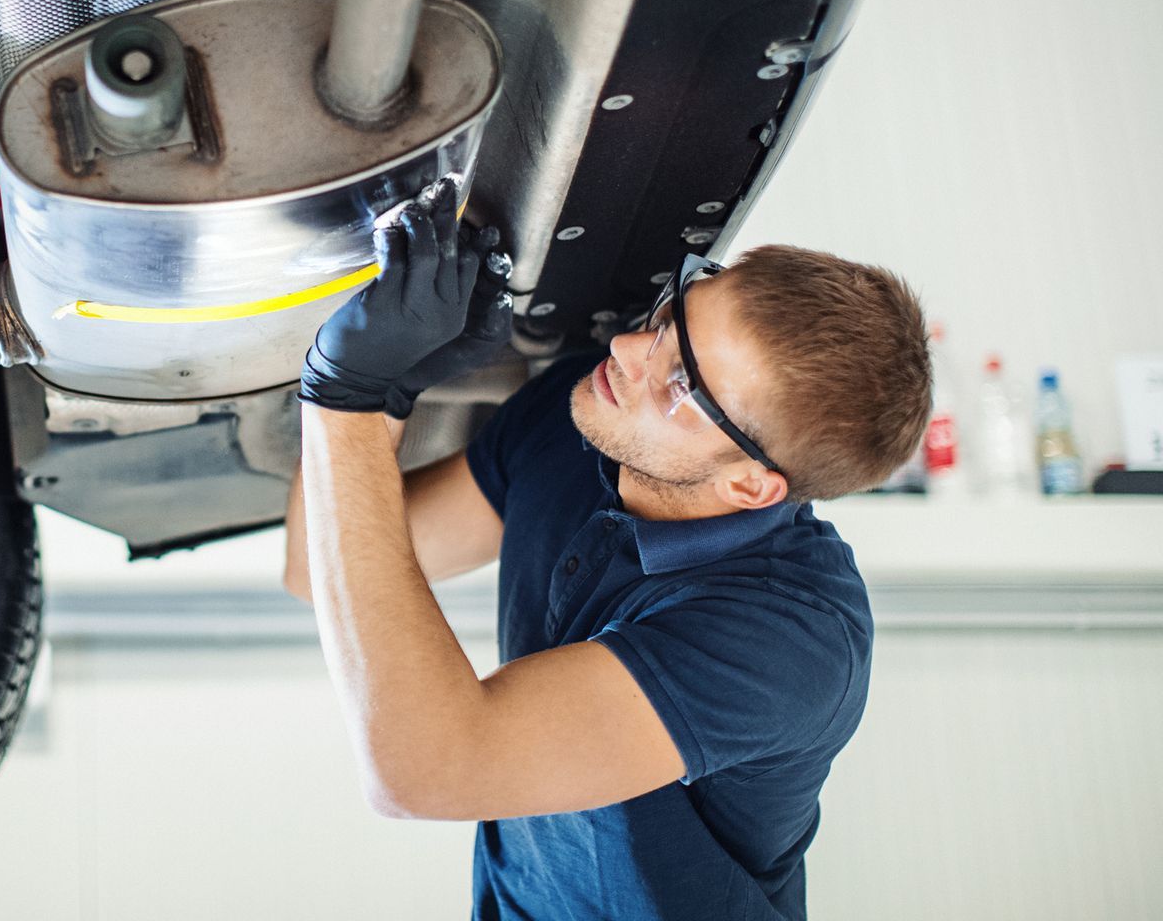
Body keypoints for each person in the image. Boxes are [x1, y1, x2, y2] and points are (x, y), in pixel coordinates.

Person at [282, 180, 931, 921]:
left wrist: (346, 397)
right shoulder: (583, 419)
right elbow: (313, 567)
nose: (626, 351)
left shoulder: (788, 636)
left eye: (680, 385)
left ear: (751, 485)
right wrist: (390, 393)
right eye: (668, 319)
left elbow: (425, 771)